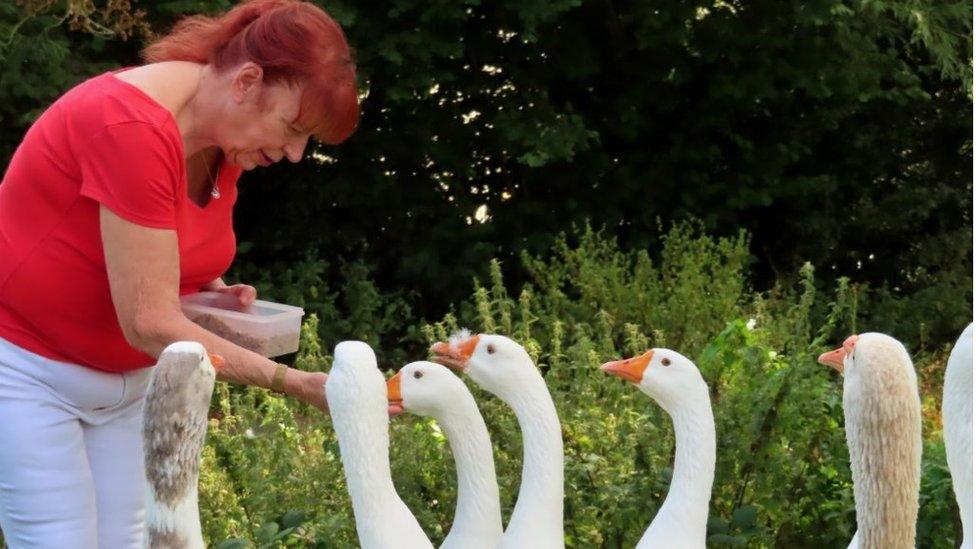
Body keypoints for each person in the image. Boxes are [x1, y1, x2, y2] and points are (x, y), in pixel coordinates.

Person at [0, 0, 358, 546]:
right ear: (247, 80)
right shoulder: (128, 126)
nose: (294, 154)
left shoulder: (224, 142)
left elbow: (155, 249)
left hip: (129, 385)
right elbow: (148, 321)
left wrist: (205, 291)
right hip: (27, 372)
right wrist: (291, 382)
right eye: (292, 127)